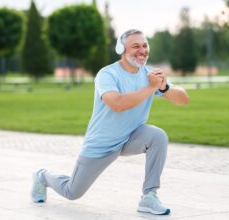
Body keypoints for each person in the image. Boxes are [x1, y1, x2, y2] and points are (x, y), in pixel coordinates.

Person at [31, 29, 189, 215]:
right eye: (135, 46)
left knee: (158, 136)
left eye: (145, 45)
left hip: (131, 137)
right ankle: (42, 176)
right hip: (102, 144)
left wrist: (164, 86)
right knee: (72, 192)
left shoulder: (149, 75)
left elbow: (183, 99)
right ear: (121, 49)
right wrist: (151, 88)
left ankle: (149, 196)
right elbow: (117, 104)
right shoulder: (107, 74)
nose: (142, 50)